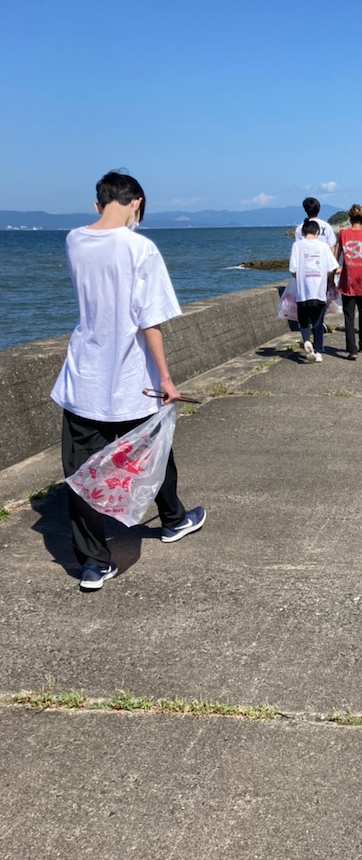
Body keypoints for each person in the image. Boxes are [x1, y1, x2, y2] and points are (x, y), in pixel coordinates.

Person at [51, 171, 206, 591]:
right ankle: (173, 519)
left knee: (82, 471)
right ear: (136, 202)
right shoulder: (141, 249)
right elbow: (149, 322)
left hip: (84, 377)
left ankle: (93, 564)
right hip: (132, 379)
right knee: (152, 452)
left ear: (98, 203)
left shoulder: (74, 240)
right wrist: (167, 378)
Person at [289, 218, 339, 362]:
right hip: (319, 292)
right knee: (317, 322)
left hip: (302, 293)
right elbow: (333, 267)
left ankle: (306, 341)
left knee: (304, 321)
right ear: (317, 232)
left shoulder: (297, 246)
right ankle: (317, 351)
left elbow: (293, 270)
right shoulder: (323, 246)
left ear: (303, 232)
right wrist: (328, 277)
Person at [335, 204, 362, 360]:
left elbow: (335, 258)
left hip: (348, 281)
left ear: (350, 218)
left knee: (349, 316)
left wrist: (332, 277)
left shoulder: (342, 234)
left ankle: (352, 350)